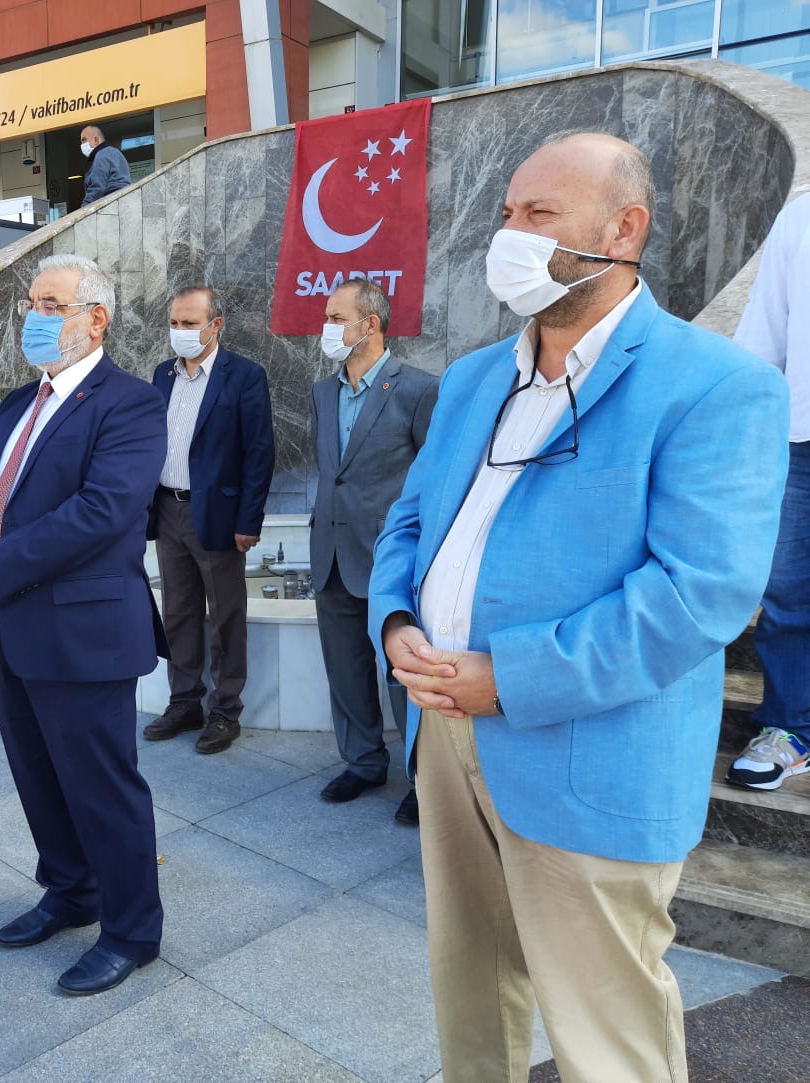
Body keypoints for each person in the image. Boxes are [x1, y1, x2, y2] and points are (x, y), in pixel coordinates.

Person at [367, 131, 789, 1083]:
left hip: (591, 755)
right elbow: (411, 521)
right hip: (445, 737)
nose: (509, 234)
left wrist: (507, 677)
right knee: (470, 988)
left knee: (608, 1034)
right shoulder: (474, 377)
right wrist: (395, 623)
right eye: (506, 213)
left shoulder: (718, 386)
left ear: (623, 229)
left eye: (539, 213)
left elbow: (699, 593)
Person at [0, 254, 167, 996]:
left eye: (49, 304)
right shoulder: (19, 401)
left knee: (102, 786)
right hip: (10, 629)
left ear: (95, 319)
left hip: (83, 633)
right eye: (30, 304)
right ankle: (72, 890)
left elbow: (102, 511)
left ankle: (131, 931)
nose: (32, 318)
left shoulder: (130, 404)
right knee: (37, 775)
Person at [310, 280, 437, 824]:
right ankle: (362, 762)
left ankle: (423, 779)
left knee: (402, 675)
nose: (327, 327)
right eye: (327, 316)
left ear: (371, 325)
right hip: (331, 554)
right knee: (345, 670)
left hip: (390, 559)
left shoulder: (419, 389)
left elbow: (435, 480)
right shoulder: (323, 392)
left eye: (337, 318)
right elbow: (333, 473)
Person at [143, 286, 274, 754]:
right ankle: (184, 702)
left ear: (215, 325)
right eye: (174, 323)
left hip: (217, 514)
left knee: (224, 616)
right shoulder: (163, 374)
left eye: (189, 323)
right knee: (178, 612)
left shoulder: (244, 376)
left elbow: (259, 452)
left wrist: (249, 520)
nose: (179, 331)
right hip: (168, 509)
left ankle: (224, 711)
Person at [728, 194, 810, 791]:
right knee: (787, 595)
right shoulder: (802, 216)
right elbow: (765, 331)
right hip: (799, 437)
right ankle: (790, 728)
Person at [79, 126, 130, 206]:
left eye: (84, 140)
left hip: (110, 204)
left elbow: (97, 188)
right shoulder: (115, 153)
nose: (82, 145)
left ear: (96, 140)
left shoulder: (101, 155)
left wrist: (84, 207)